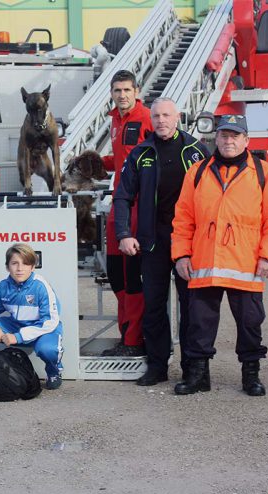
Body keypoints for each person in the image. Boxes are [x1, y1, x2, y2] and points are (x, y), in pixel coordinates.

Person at [171, 114, 268, 396]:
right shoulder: (196, 172)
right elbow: (183, 218)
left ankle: (251, 376)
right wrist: (181, 255)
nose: (228, 140)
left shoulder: (263, 172)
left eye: (235, 135)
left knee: (250, 323)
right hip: (204, 262)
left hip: (246, 264)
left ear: (246, 140)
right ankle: (198, 376)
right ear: (215, 138)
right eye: (223, 135)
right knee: (199, 322)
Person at [113, 97, 209, 386]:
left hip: (189, 244)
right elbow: (122, 195)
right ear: (151, 120)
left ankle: (194, 369)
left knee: (192, 307)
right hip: (152, 243)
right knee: (154, 306)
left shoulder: (195, 150)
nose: (161, 121)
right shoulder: (142, 153)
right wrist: (123, 234)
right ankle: (157, 366)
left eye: (167, 115)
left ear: (177, 117)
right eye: (156, 116)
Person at [101, 70, 154, 357]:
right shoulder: (115, 121)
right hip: (118, 205)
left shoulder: (146, 118)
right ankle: (128, 334)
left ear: (136, 91)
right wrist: (96, 162)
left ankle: (134, 340)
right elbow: (122, 159)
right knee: (116, 275)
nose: (122, 95)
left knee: (132, 276)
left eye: (126, 90)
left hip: (136, 207)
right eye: (117, 90)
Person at [0, 243, 64, 390]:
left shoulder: (41, 286)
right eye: (15, 263)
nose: (20, 268)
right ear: (7, 267)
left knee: (47, 350)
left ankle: (54, 371)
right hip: (16, 326)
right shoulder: (3, 287)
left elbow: (50, 321)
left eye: (25, 264)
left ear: (32, 267)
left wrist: (18, 337)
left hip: (43, 330)